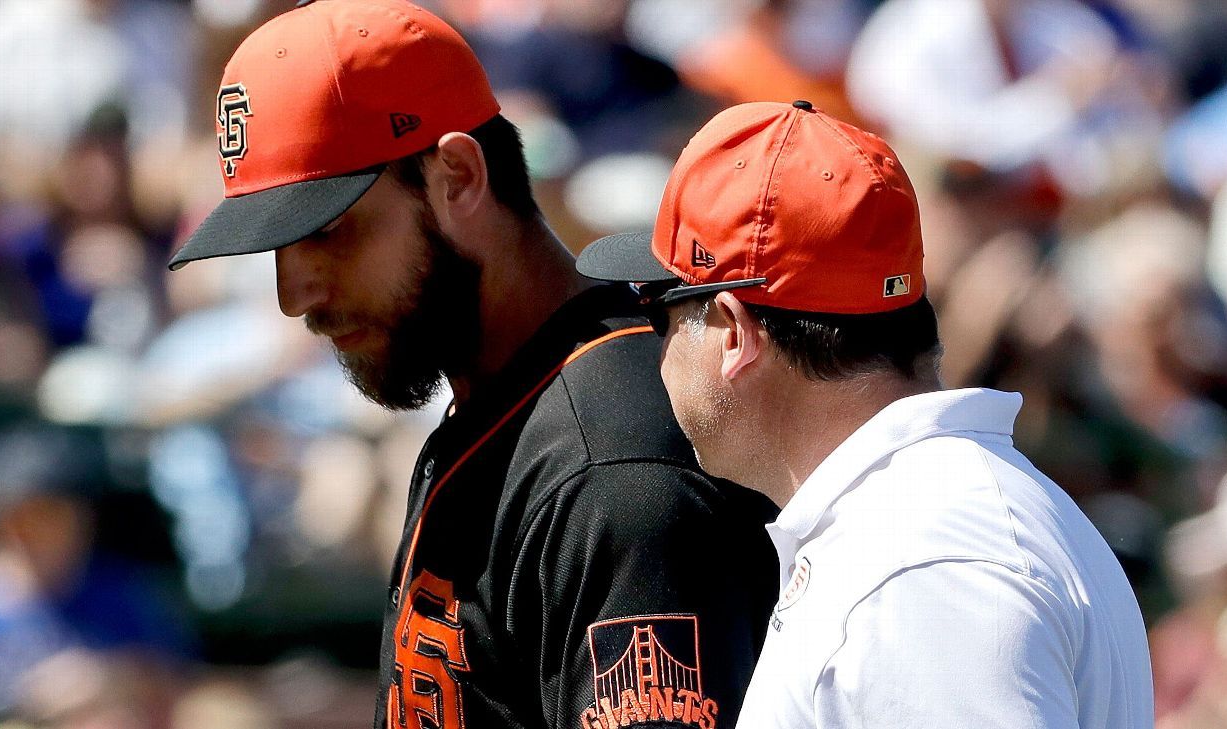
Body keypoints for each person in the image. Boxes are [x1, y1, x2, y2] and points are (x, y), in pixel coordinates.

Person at [167, 2, 778, 728]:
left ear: (456, 176)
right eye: (277, 246)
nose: (293, 292)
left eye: (327, 231)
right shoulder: (507, 401)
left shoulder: (616, 462)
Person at [576, 100, 1154, 728]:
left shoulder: (920, 567)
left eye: (657, 312)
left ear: (733, 332)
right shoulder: (924, 525)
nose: (653, 351)